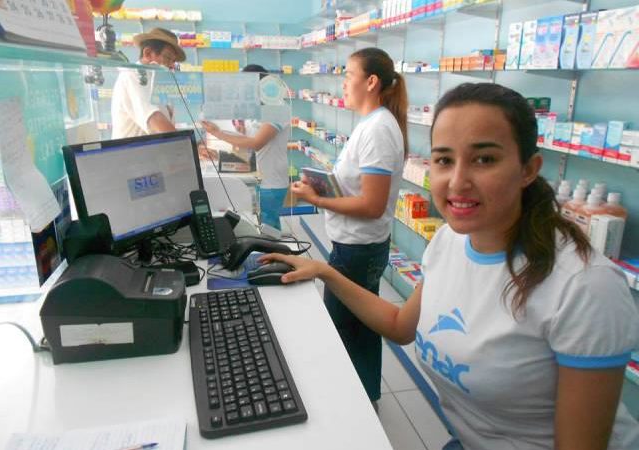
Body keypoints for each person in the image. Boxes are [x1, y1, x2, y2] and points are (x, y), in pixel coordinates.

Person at [263, 83, 639, 450]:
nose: (457, 182)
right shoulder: (449, 242)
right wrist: (325, 271)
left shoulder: (585, 287)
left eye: (484, 159)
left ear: (529, 169)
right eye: (444, 160)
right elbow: (400, 326)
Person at [289, 48, 408, 403]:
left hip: (358, 251)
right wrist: (323, 187)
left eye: (348, 76)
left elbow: (372, 205)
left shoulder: (379, 130)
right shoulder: (372, 125)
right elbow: (360, 189)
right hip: (355, 246)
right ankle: (366, 397)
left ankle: (350, 407)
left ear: (371, 82)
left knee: (345, 330)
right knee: (362, 327)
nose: (342, 84)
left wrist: (317, 200)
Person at [201, 65, 290, 230]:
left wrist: (218, 133)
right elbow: (249, 148)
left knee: (268, 231)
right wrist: (218, 156)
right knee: (261, 228)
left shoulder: (278, 109)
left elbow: (256, 144)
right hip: (258, 178)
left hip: (271, 183)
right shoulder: (261, 110)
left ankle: (272, 254)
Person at [111, 28, 185, 139]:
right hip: (131, 153)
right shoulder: (133, 75)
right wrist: (187, 145)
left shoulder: (157, 80)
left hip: (153, 152)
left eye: (173, 61)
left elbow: (167, 126)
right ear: (148, 53)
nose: (171, 65)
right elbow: (155, 120)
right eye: (168, 58)